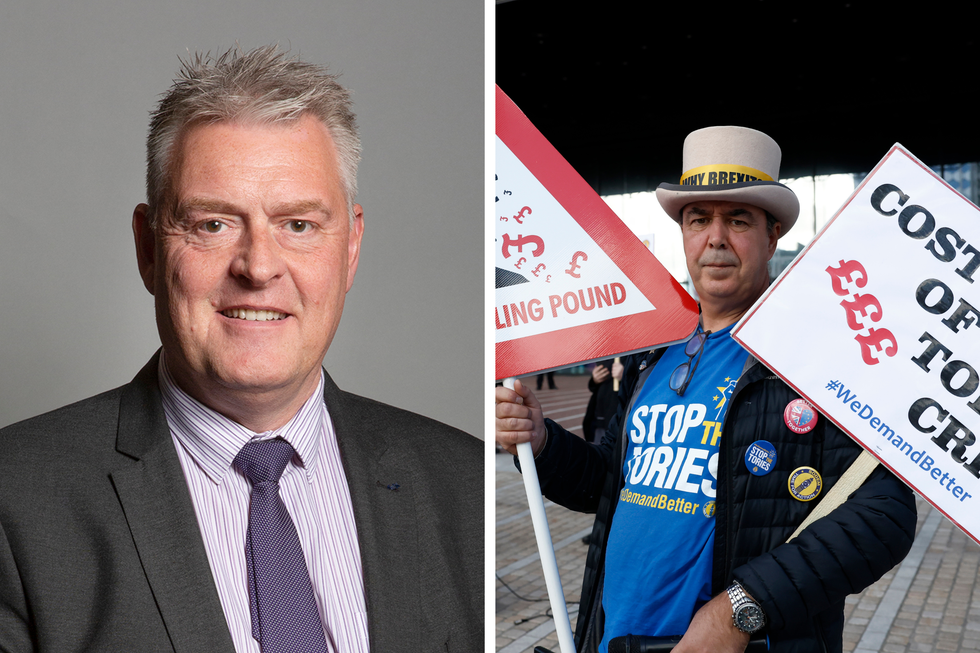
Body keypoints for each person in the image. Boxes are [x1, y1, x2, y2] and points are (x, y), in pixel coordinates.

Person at [0, 46, 481, 653]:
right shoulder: (14, 503)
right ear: (149, 249)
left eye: (298, 225)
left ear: (351, 247)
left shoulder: (463, 485)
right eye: (212, 224)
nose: (258, 267)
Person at [496, 126, 916, 653]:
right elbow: (610, 481)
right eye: (699, 219)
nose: (715, 237)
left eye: (737, 219)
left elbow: (884, 515)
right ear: (684, 234)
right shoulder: (656, 352)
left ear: (773, 235)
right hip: (613, 639)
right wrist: (540, 442)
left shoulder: (817, 359)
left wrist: (740, 611)